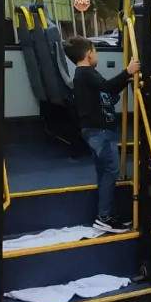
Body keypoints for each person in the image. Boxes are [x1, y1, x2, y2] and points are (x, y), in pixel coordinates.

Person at [64, 36, 140, 234]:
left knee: (105, 172)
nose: (96, 55)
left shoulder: (86, 75)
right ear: (88, 54)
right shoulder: (85, 73)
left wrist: (124, 80)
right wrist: (127, 71)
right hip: (100, 132)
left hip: (98, 132)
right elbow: (107, 87)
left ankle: (107, 215)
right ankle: (104, 217)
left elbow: (105, 93)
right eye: (95, 51)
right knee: (110, 171)